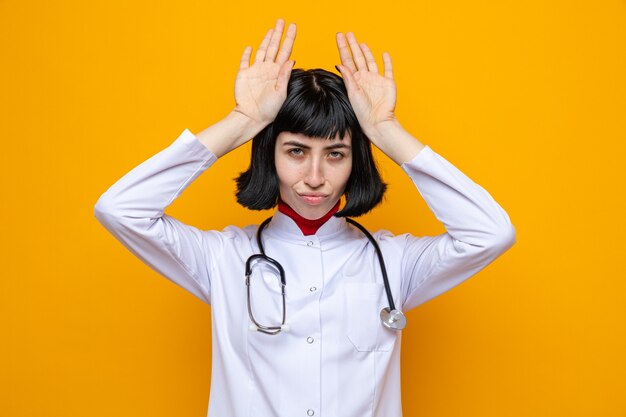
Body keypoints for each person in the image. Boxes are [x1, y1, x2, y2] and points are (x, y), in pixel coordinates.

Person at [94, 19, 516, 417]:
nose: (315, 178)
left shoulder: (393, 262)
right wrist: (243, 120)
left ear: (356, 161)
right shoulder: (222, 258)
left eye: (336, 154)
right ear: (270, 154)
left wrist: (385, 130)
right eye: (296, 151)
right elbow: (120, 209)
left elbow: (491, 233)